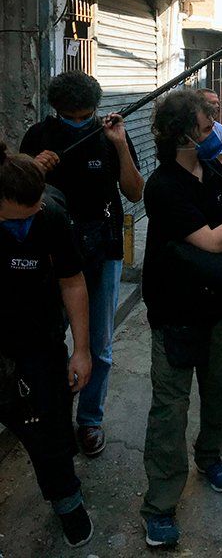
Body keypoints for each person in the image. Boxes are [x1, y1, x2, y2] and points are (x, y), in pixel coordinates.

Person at [141, 88, 222, 548]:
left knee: (221, 390)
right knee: (170, 411)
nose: (214, 128)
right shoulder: (163, 187)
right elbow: (212, 241)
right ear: (185, 134)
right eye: (206, 122)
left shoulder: (211, 166)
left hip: (217, 306)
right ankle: (160, 504)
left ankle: (211, 456)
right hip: (176, 312)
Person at [20, 71, 143, 457]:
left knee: (99, 344)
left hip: (101, 250)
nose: (77, 121)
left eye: (84, 115)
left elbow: (135, 192)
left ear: (95, 108)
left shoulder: (109, 134)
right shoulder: (38, 136)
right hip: (50, 255)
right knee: (50, 340)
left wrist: (121, 146)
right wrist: (32, 168)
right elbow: (15, 196)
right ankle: (53, 416)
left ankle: (90, 420)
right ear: (55, 110)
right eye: (69, 115)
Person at [0, 143, 93, 548]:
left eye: (37, 206)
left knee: (52, 431)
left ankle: (67, 501)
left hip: (41, 340)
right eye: (21, 215)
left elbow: (72, 281)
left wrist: (82, 349)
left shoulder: (50, 214)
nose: (33, 216)